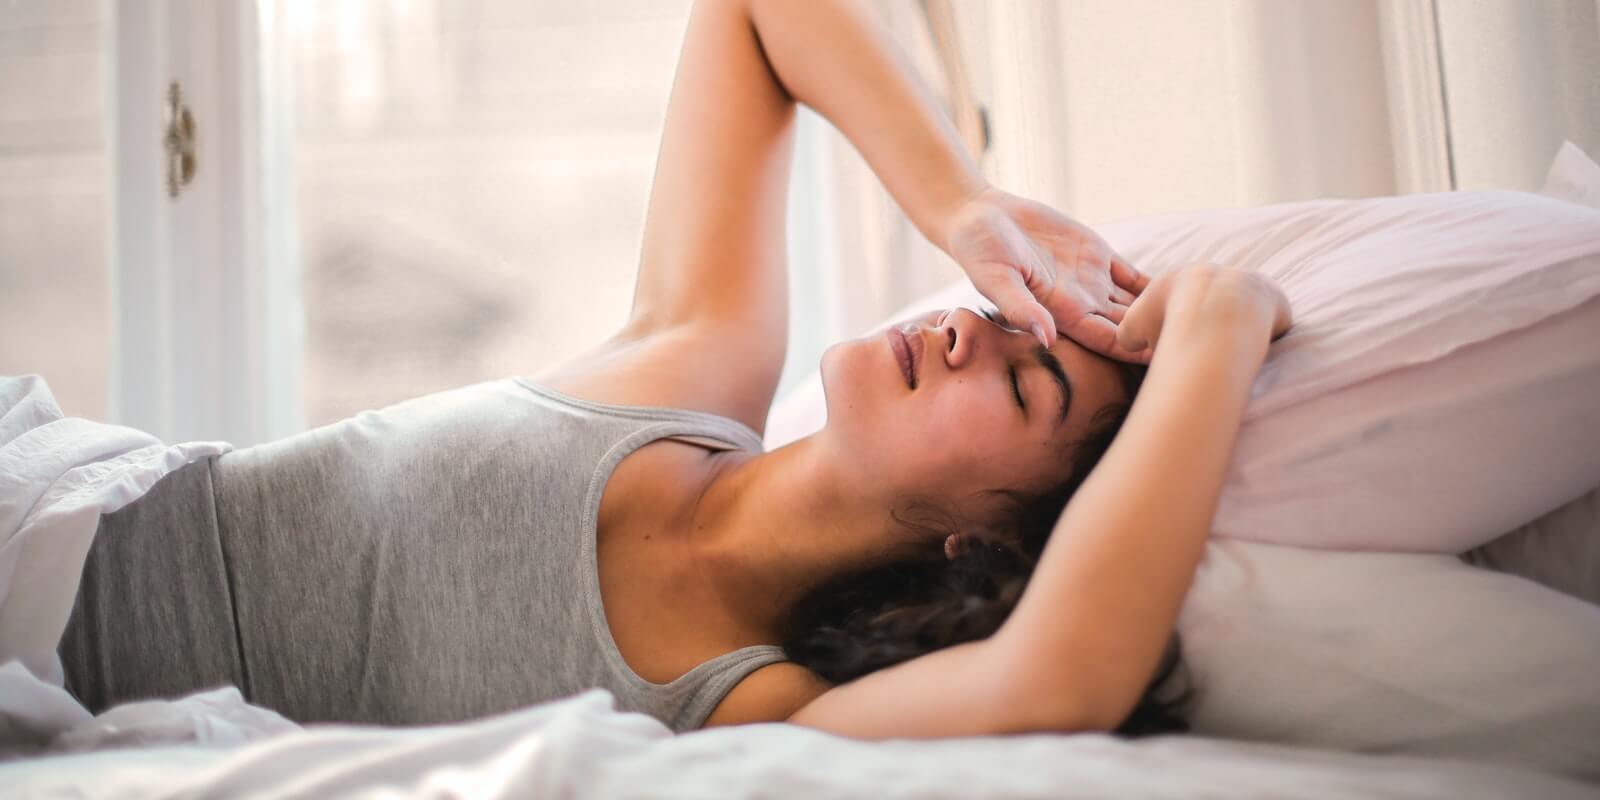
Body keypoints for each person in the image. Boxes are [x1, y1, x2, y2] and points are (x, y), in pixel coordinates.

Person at [58, 0, 1291, 738]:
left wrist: (1219, 324)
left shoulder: (756, 702)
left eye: (1021, 383)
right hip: (51, 504)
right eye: (1002, 309)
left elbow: (1065, 669)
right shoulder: (692, 366)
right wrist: (964, 205)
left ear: (982, 539)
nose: (973, 325)